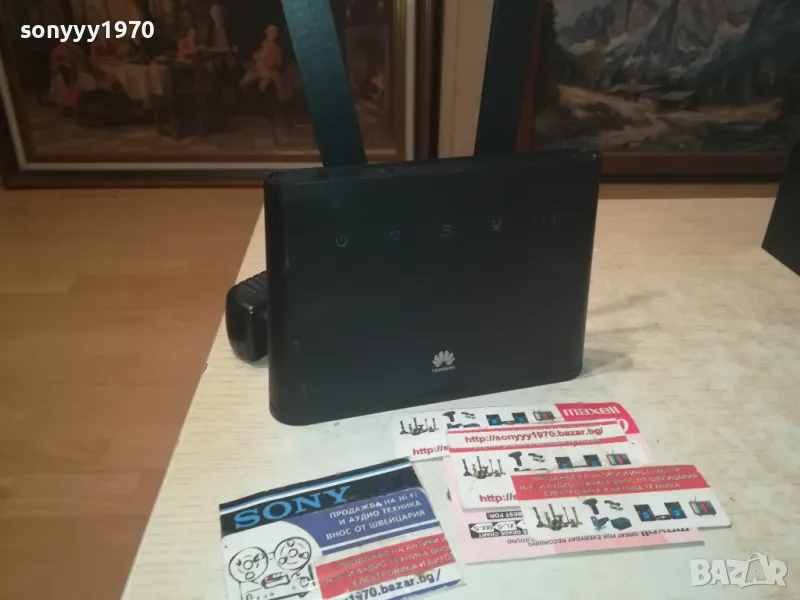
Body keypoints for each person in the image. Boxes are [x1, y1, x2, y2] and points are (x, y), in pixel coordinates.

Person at [239, 25, 282, 93]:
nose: (272, 35)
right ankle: (244, 88)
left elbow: (279, 62)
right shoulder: (263, 44)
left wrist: (272, 62)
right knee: (247, 79)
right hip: (259, 67)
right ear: (267, 33)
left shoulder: (277, 48)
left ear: (276, 35)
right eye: (270, 32)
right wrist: (259, 56)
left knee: (264, 83)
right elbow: (255, 55)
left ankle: (259, 93)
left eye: (274, 33)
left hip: (269, 71)